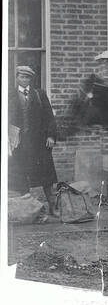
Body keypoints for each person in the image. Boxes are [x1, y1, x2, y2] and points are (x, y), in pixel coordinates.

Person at [8, 66, 58, 215]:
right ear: (17, 78)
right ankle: (28, 210)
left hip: (39, 142)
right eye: (21, 77)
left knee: (47, 175)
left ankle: (52, 207)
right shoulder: (9, 94)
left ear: (31, 79)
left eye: (27, 77)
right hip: (18, 143)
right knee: (21, 176)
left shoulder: (39, 94)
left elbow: (50, 117)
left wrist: (51, 135)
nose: (24, 79)